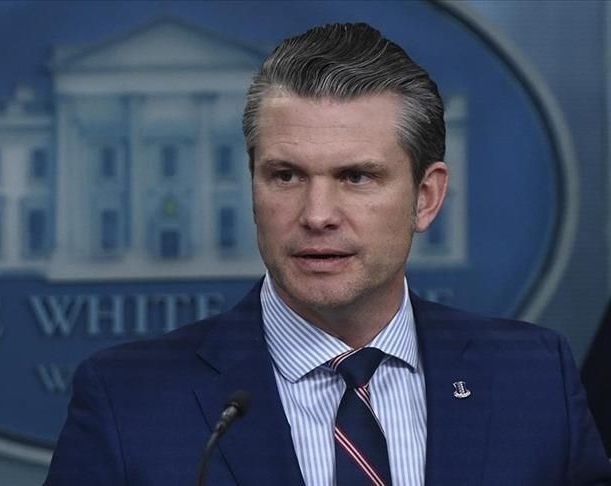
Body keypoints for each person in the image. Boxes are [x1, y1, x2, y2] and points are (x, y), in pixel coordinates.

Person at [45, 23, 611, 485]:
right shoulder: (127, 401)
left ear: (426, 197)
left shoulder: (531, 378)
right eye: (286, 176)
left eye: (356, 177)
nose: (317, 214)